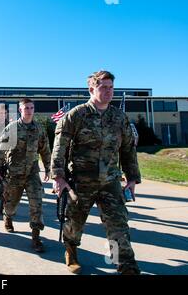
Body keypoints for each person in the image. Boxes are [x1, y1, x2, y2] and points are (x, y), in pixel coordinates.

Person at [50, 70, 141, 275]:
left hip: (110, 181)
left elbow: (128, 149)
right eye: (103, 87)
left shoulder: (119, 117)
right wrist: (58, 177)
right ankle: (71, 250)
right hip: (81, 181)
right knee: (74, 222)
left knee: (118, 225)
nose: (109, 92)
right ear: (91, 88)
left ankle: (124, 264)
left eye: (111, 87)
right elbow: (60, 146)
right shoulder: (76, 115)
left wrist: (132, 178)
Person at [0, 98, 51, 252]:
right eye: (26, 108)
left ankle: (36, 237)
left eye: (31, 108)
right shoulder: (11, 128)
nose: (29, 111)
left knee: (36, 204)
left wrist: (49, 167)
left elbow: (45, 149)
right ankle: (8, 217)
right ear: (20, 110)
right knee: (11, 205)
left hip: (32, 173)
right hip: (14, 174)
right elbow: (1, 150)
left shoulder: (39, 128)